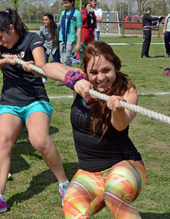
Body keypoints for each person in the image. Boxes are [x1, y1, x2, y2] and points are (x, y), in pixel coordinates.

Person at [0, 9, 69, 216]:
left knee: (39, 141)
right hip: (10, 102)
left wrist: (33, 68)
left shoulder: (32, 39)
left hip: (35, 100)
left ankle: (64, 183)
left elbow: (43, 67)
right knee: (3, 140)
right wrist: (4, 60)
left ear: (11, 28)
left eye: (0, 37)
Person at [42, 41, 146, 219]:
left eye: (107, 70)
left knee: (114, 196)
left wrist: (118, 108)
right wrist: (76, 80)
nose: (100, 78)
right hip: (88, 173)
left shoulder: (128, 92)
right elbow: (48, 67)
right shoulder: (82, 84)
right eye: (94, 72)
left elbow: (121, 125)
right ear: (86, 72)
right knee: (72, 212)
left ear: (116, 67)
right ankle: (103, 195)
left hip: (125, 166)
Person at [57, 0, 82, 86]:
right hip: (62, 38)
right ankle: (73, 76)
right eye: (64, 3)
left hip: (71, 38)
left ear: (72, 2)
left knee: (67, 58)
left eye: (67, 3)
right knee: (63, 59)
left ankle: (63, 79)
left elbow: (79, 28)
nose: (65, 5)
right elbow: (60, 25)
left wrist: (78, 43)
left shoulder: (77, 14)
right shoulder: (63, 13)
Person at [39, 13, 61, 83]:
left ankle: (58, 79)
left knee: (56, 64)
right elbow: (41, 39)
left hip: (56, 46)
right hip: (46, 47)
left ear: (51, 20)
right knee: (44, 63)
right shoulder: (42, 28)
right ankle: (44, 78)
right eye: (43, 20)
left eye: (46, 20)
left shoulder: (57, 26)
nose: (44, 21)